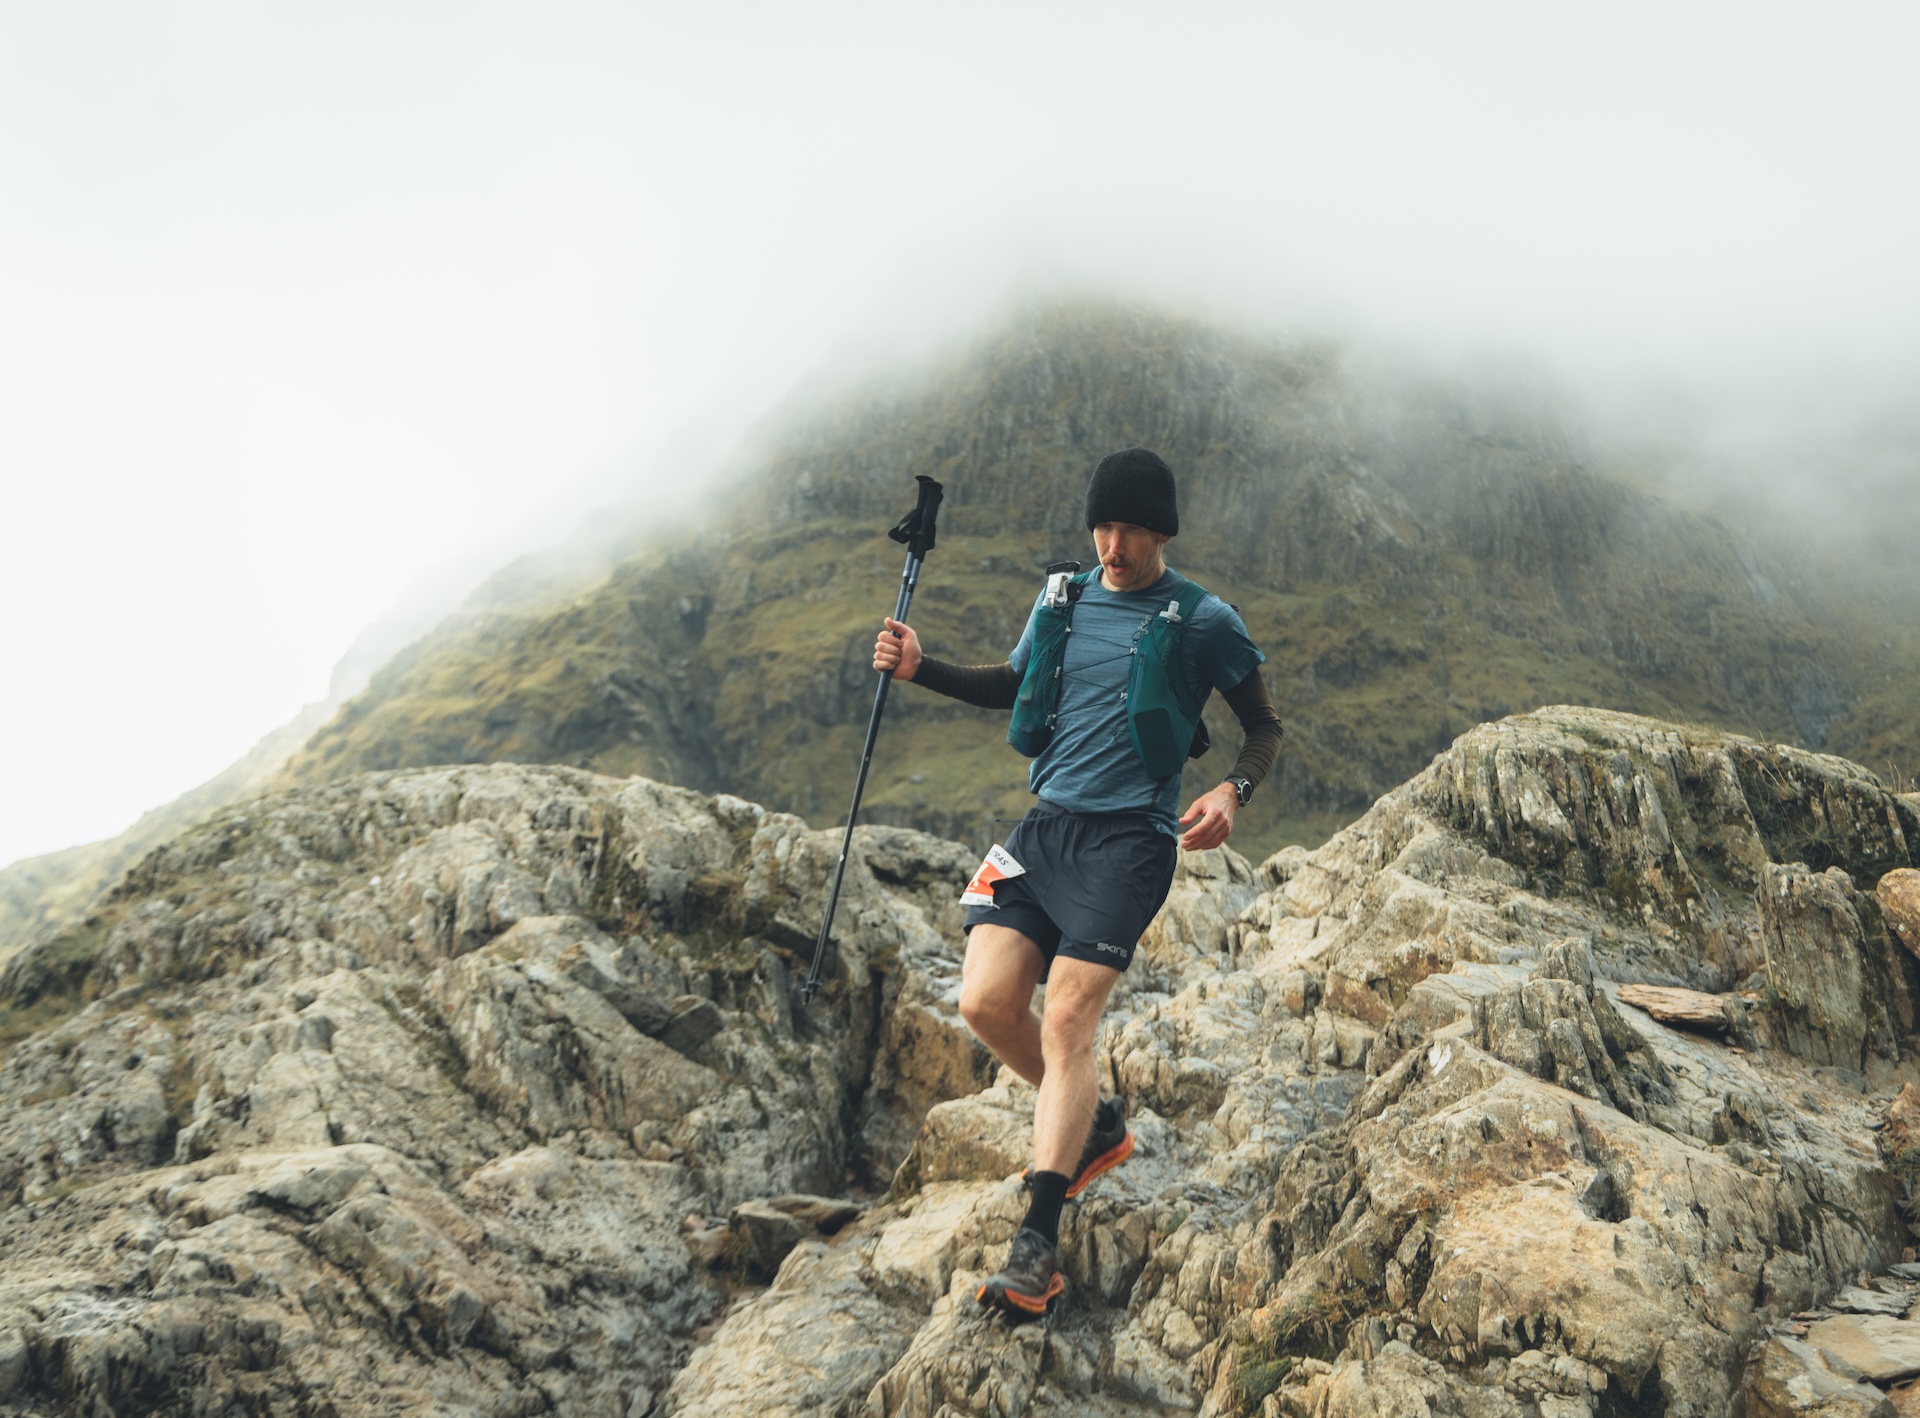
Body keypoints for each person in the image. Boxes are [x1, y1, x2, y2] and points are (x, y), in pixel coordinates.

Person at [871, 446, 1283, 1320]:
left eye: (1131, 527)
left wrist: (1230, 790)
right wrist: (922, 666)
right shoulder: (1063, 597)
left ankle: (1037, 1246)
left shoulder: (1203, 618)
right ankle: (1095, 1127)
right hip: (1043, 831)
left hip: (1130, 841)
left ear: (1160, 531)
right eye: (1103, 524)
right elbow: (1013, 684)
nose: (1113, 543)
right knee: (983, 1004)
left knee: (1066, 1016)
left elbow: (1262, 727)